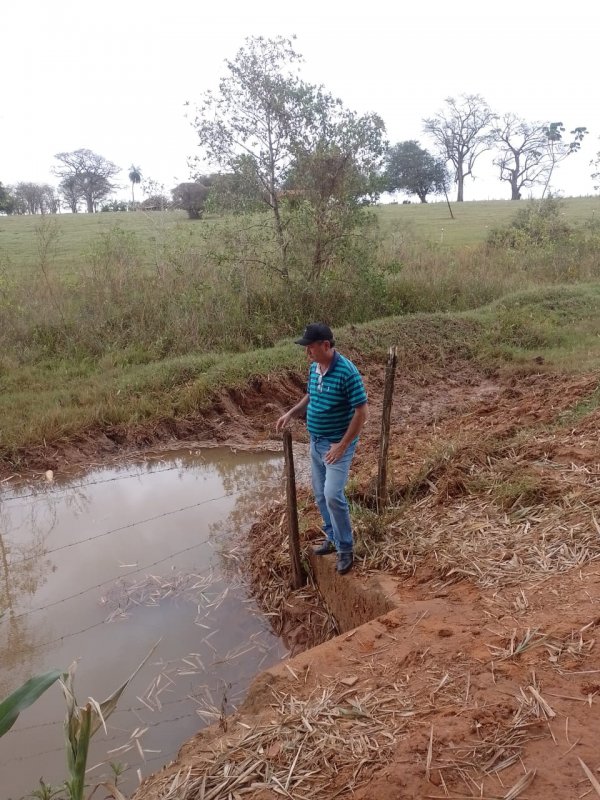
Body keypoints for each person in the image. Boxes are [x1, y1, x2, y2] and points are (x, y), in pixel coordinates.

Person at [276, 323, 368, 574]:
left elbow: (362, 412)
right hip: (316, 442)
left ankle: (346, 548)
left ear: (326, 345)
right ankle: (332, 537)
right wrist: (292, 413)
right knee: (319, 494)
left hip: (336, 444)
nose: (307, 353)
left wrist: (342, 445)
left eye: (310, 347)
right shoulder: (315, 368)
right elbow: (311, 397)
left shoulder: (348, 372)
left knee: (332, 494)